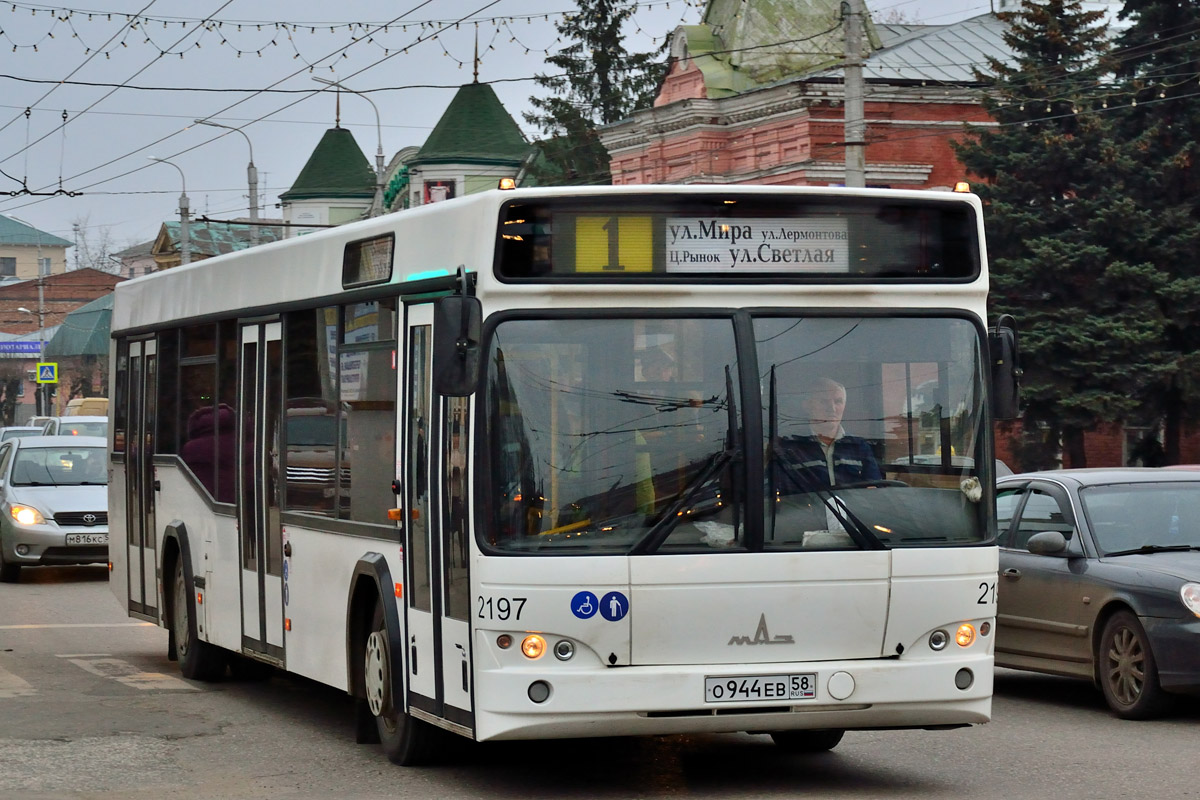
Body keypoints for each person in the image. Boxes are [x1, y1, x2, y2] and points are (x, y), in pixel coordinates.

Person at [774, 377, 881, 492]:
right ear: (807, 405)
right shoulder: (790, 447)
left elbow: (874, 491)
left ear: (845, 406)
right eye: (824, 402)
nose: (832, 408)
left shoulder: (859, 447)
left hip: (852, 510)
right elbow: (776, 492)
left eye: (838, 402)